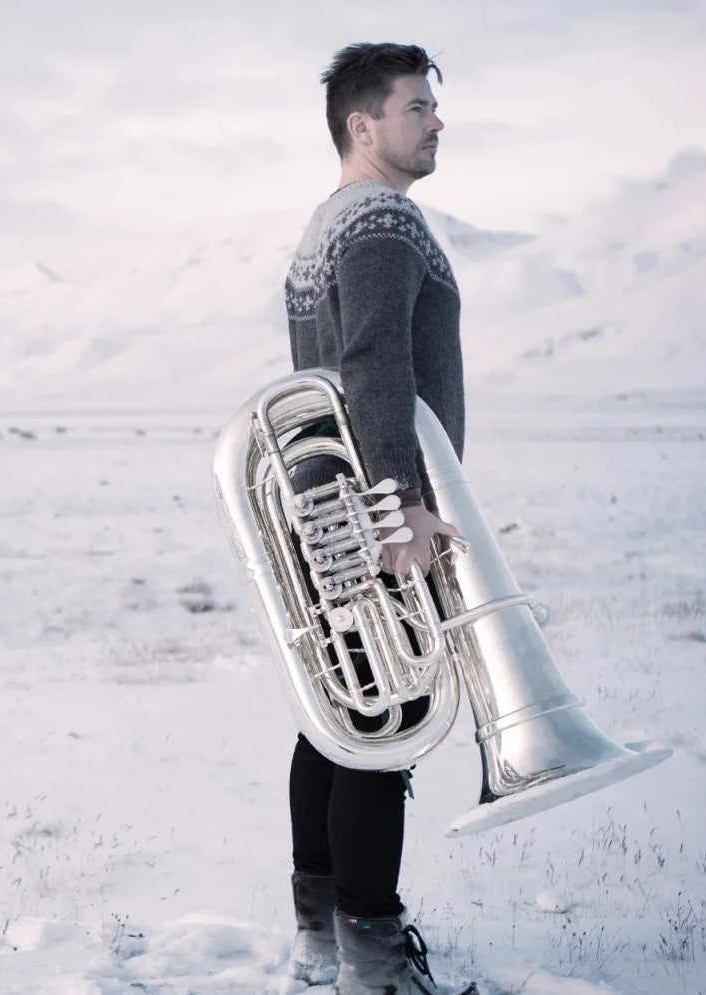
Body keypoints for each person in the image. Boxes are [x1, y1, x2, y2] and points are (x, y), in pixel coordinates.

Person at [281, 43, 476, 995]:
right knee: (384, 725)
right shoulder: (382, 219)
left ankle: (323, 945)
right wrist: (401, 507)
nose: (437, 121)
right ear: (364, 126)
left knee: (339, 719)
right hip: (371, 511)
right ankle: (376, 964)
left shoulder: (324, 227)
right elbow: (372, 365)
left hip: (329, 511)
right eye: (417, 107)